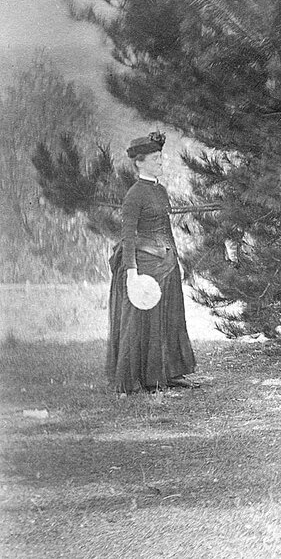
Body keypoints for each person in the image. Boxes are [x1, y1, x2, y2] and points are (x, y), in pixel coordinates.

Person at [107, 132, 196, 393]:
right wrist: (132, 273)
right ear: (139, 162)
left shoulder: (160, 190)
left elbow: (167, 230)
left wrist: (175, 260)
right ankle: (139, 379)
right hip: (145, 266)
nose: (160, 162)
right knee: (142, 322)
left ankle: (166, 373)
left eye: (160, 157)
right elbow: (128, 236)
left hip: (166, 263)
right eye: (155, 158)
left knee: (168, 319)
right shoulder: (135, 195)